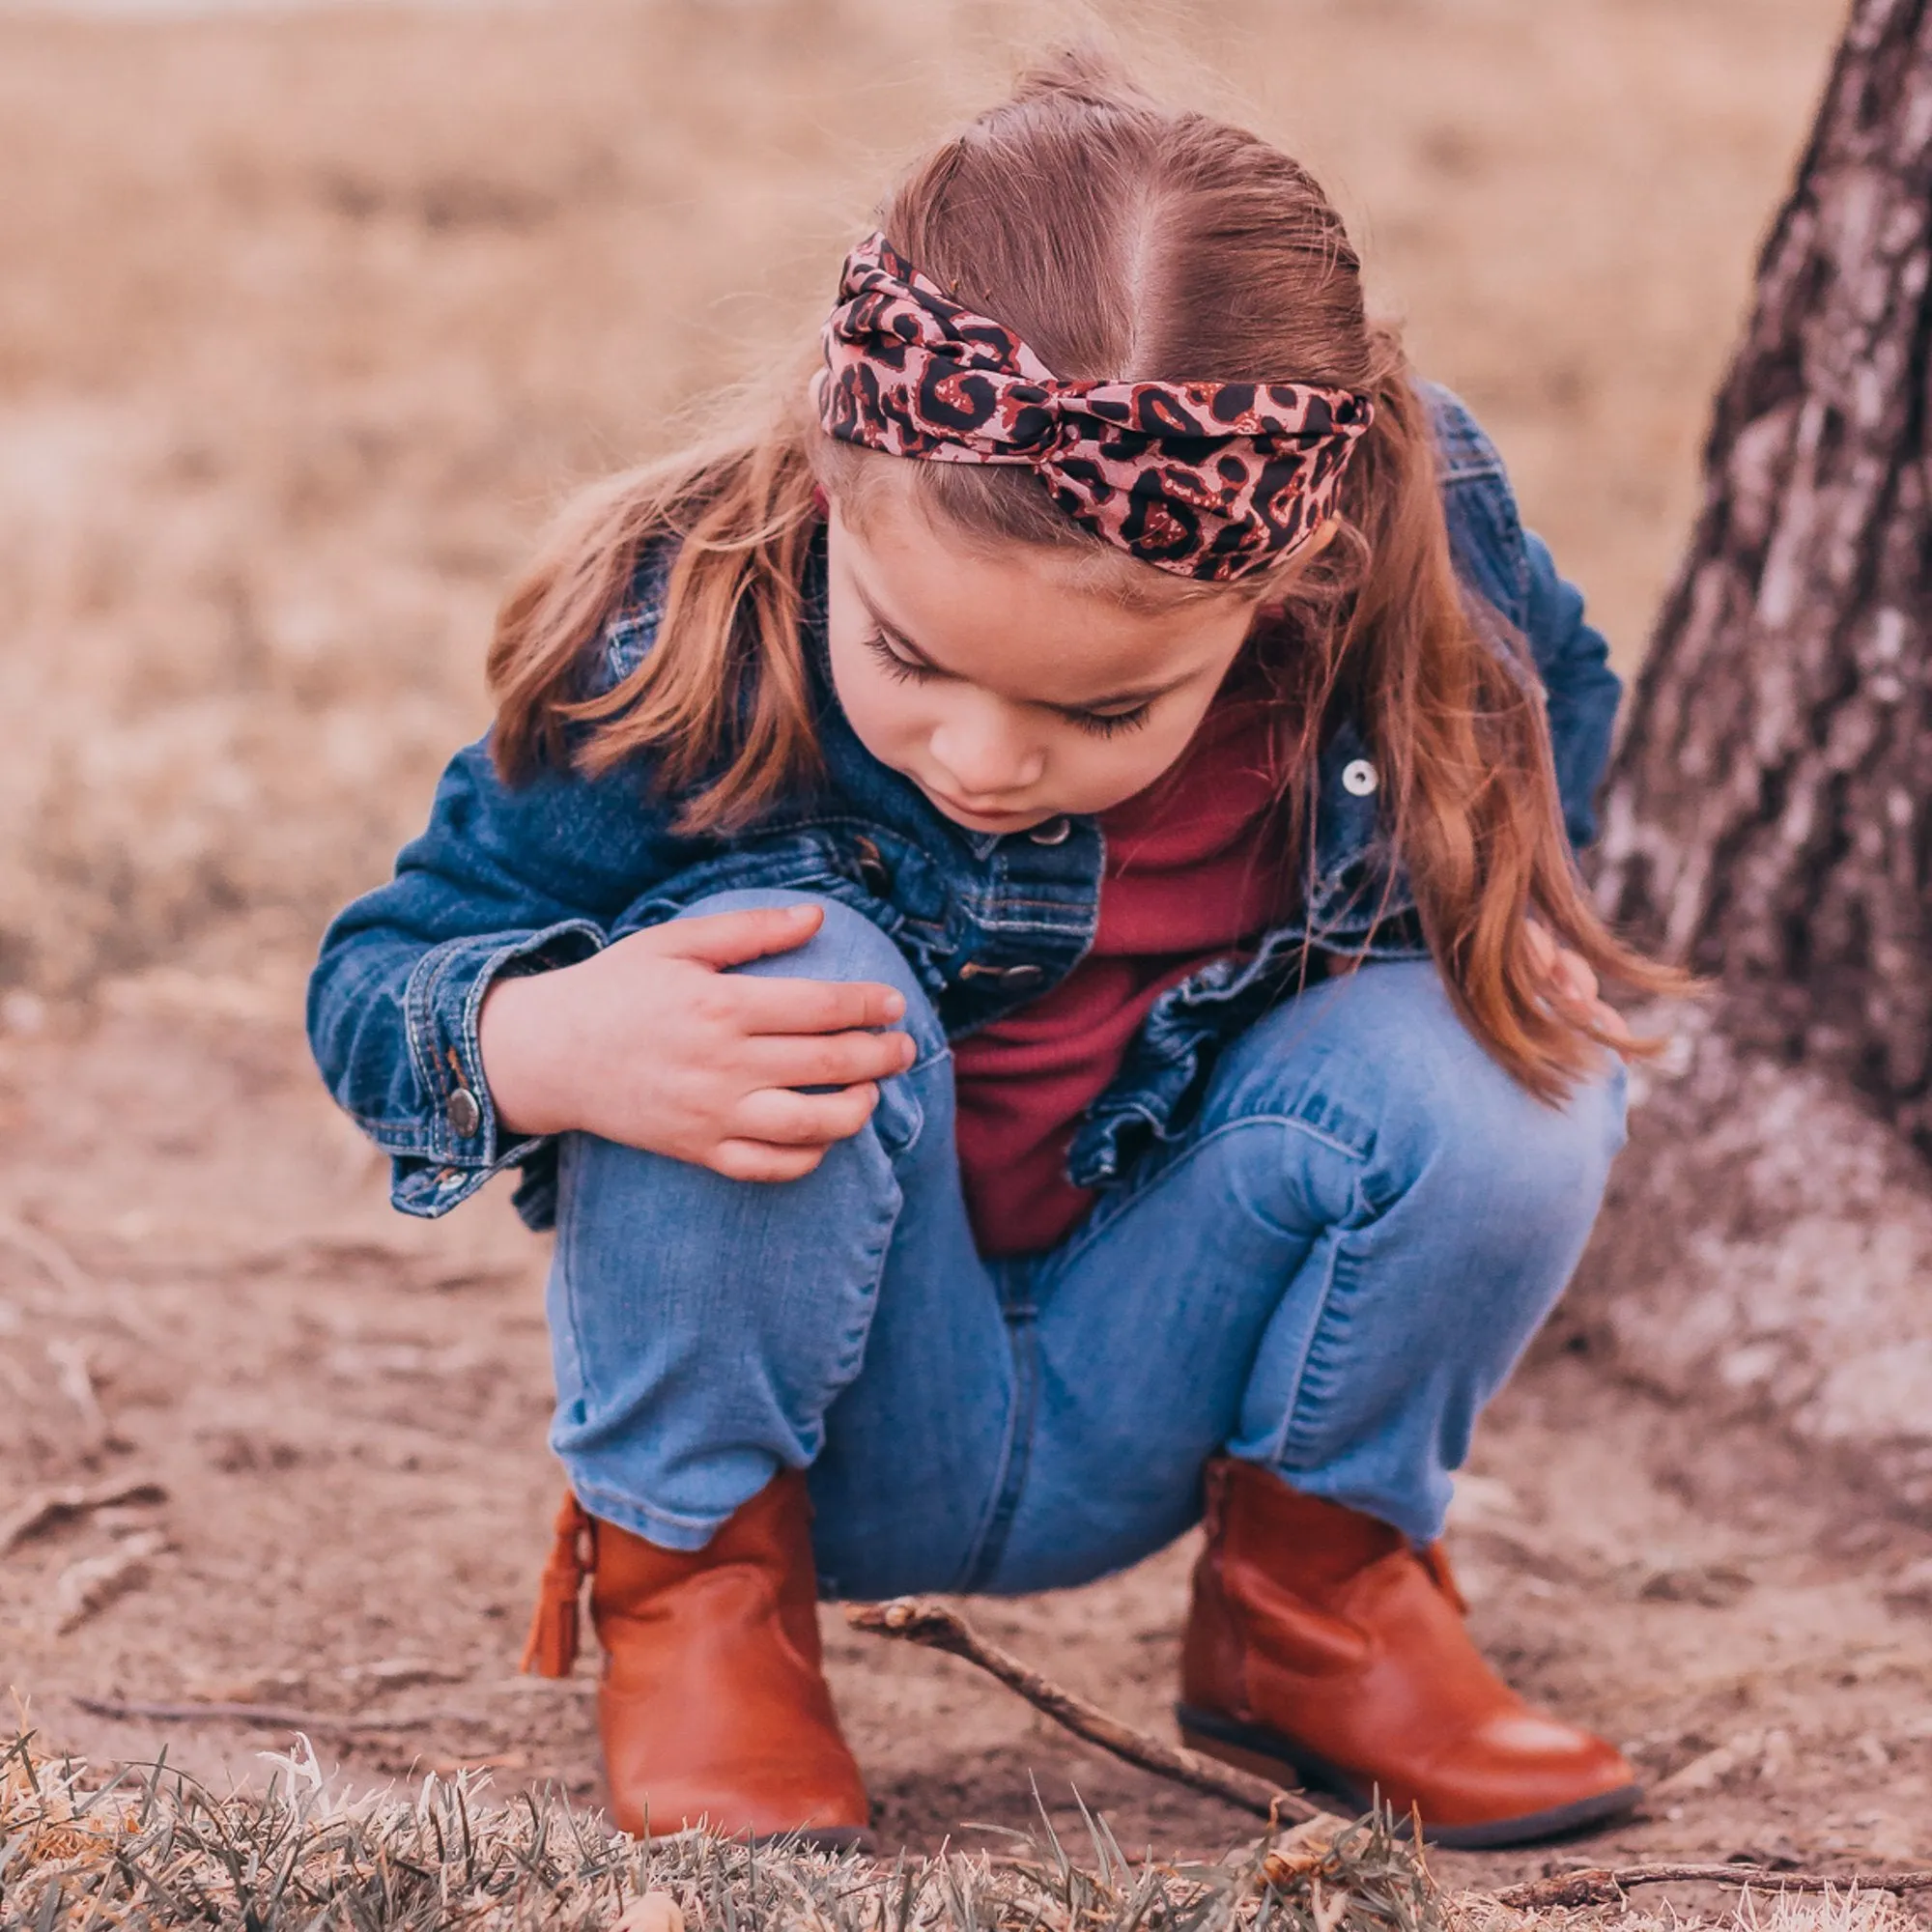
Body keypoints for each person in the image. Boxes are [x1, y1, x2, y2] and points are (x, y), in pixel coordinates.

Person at [308, 53, 1678, 1853]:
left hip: (1175, 1363)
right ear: (827, 480)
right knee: (781, 975)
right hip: (833, 1415)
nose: (981, 757)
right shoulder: (688, 635)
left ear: (1290, 585)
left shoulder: (1412, 546)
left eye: (1102, 706)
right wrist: (547, 1043)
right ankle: (695, 1611)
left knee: (1511, 1068)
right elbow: (376, 978)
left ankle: (1318, 1614)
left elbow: (1539, 707)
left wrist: (1495, 919)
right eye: (916, 662)